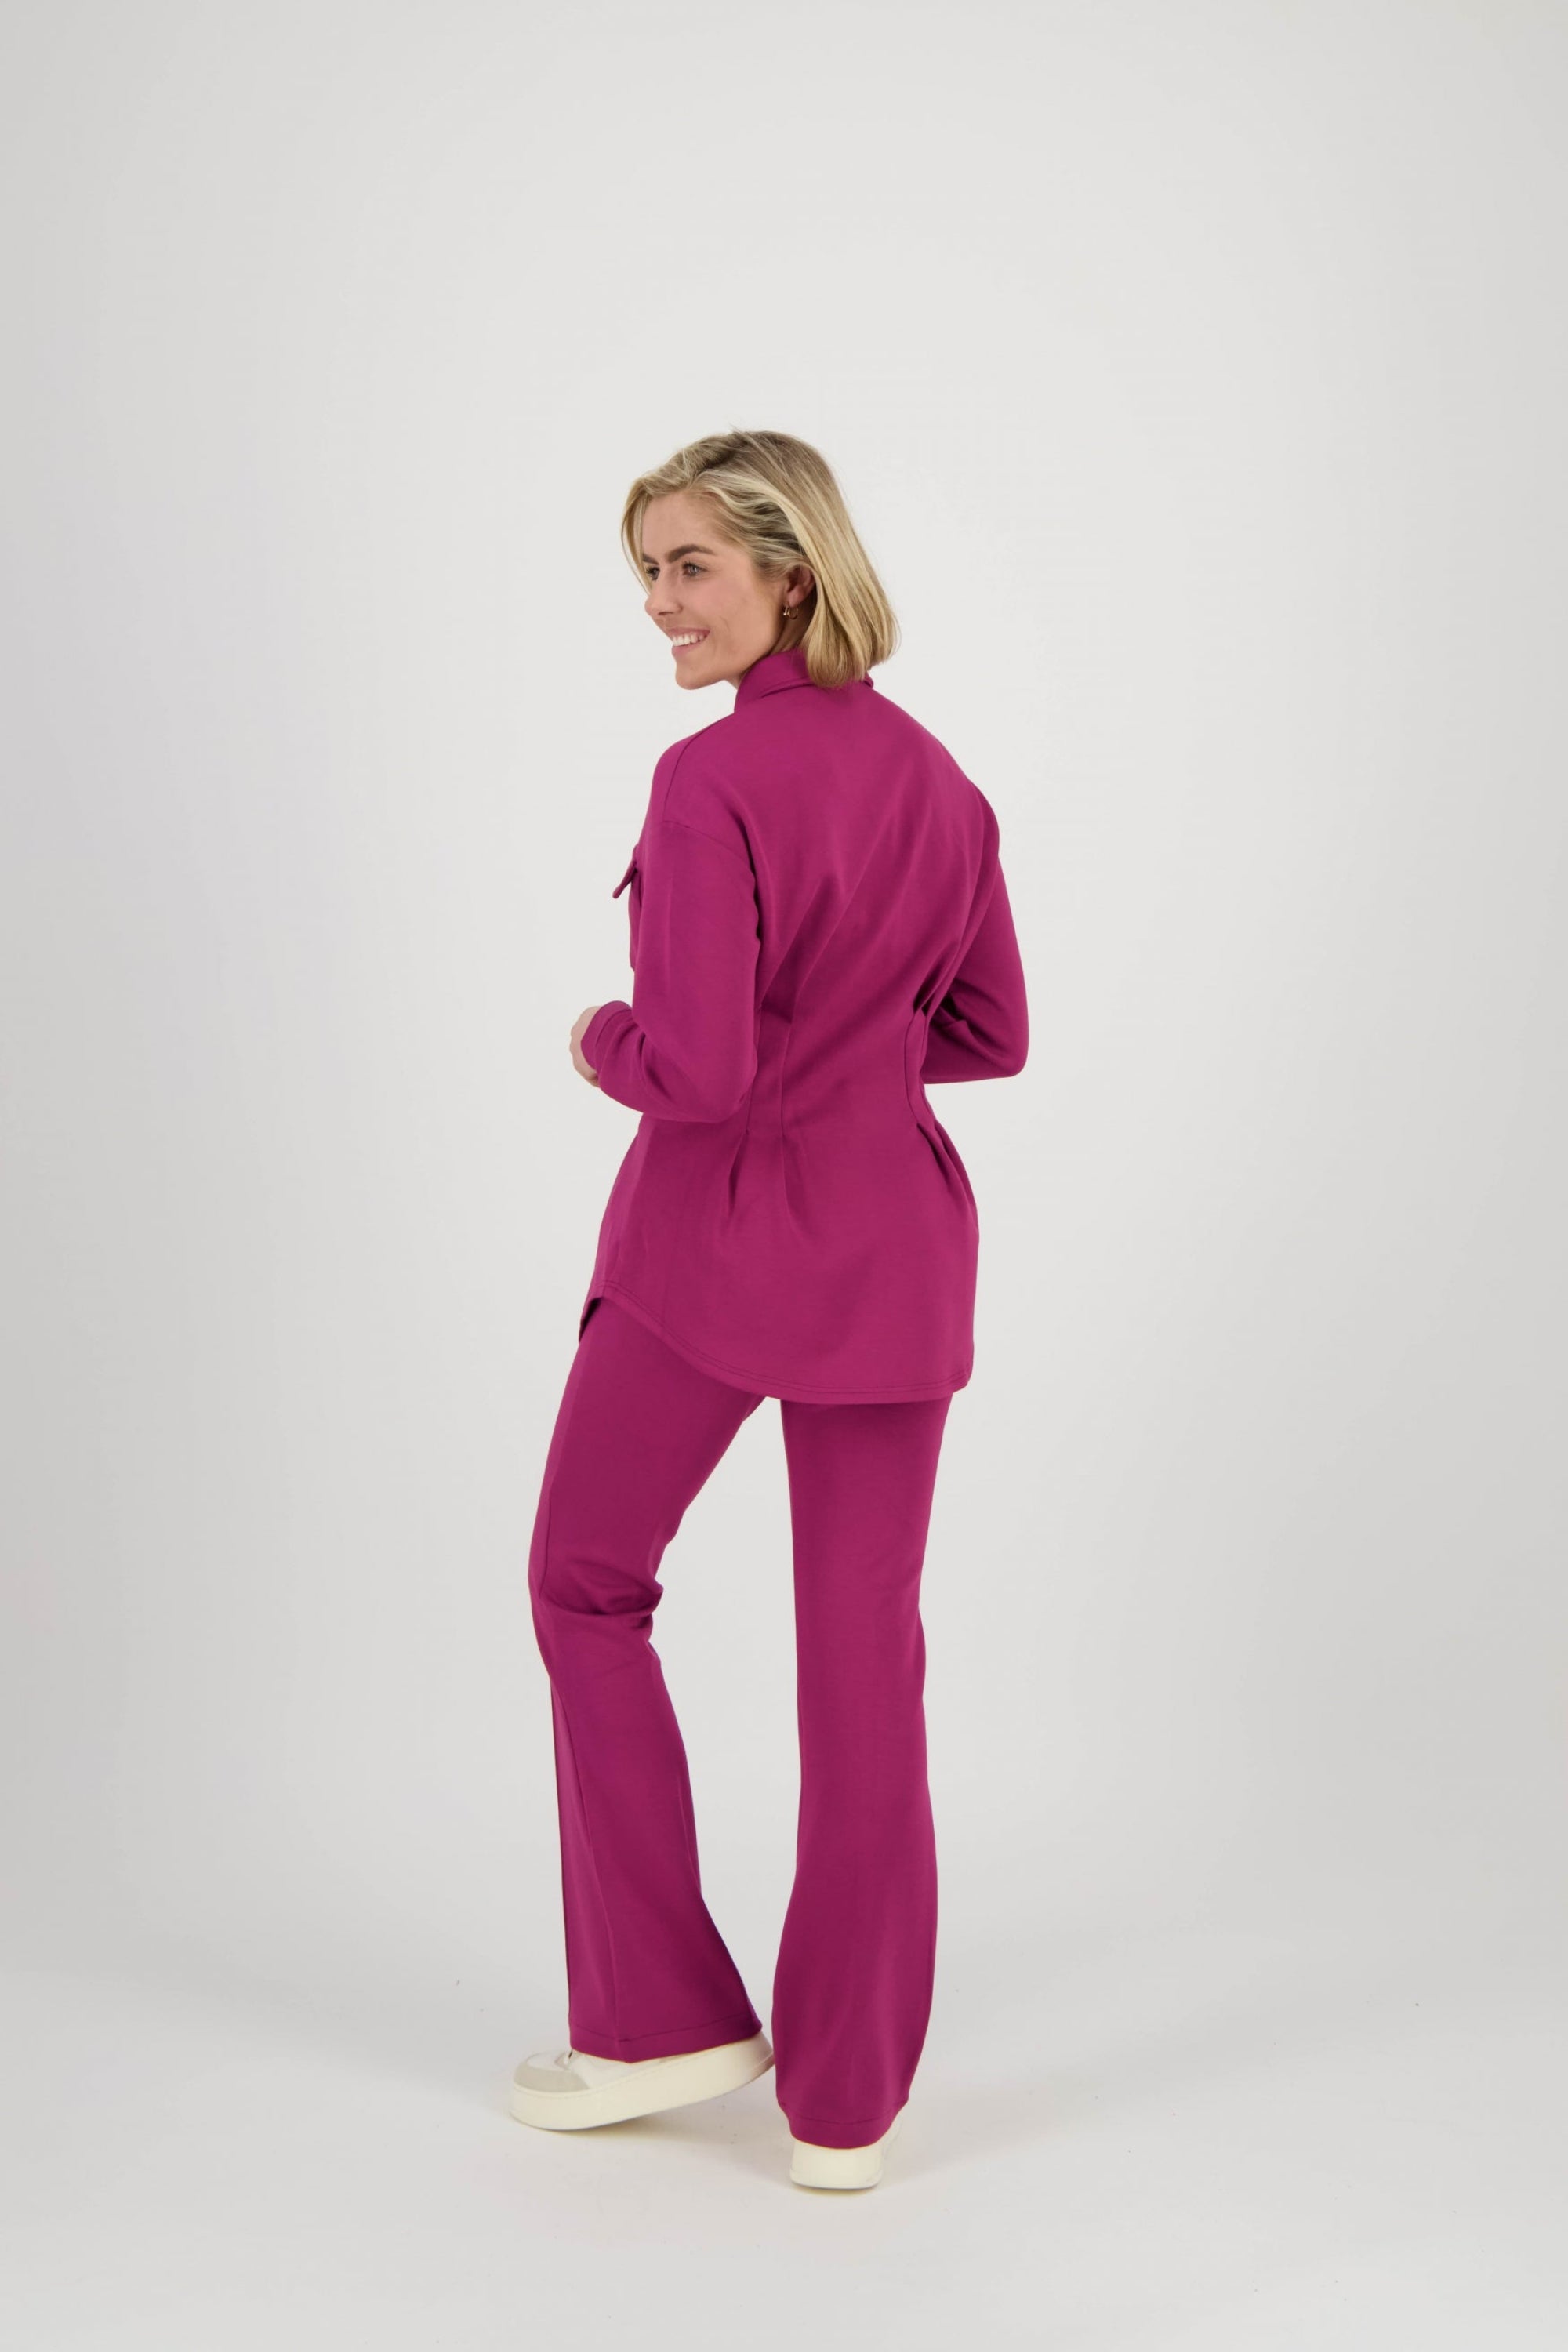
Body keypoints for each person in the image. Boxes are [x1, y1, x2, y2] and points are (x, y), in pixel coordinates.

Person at [511, 430, 1029, 2191]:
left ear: (788, 571)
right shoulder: (942, 782)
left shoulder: (707, 780)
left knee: (585, 1582)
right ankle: (846, 2111)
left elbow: (703, 1071)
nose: (660, 604)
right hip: (896, 1253)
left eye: (688, 568)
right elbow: (991, 1033)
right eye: (646, 573)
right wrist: (855, 1054)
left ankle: (659, 2019)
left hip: (716, 1254)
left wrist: (601, 1040)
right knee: (864, 1657)